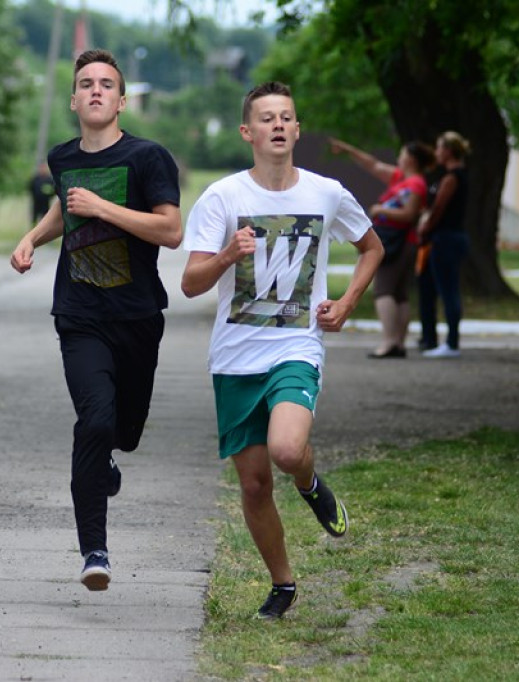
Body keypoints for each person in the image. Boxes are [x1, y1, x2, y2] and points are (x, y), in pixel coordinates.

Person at [180, 82, 382, 620]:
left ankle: (310, 483)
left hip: (295, 345)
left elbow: (371, 247)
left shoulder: (326, 193)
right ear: (248, 132)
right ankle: (283, 583)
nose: (276, 125)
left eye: (285, 117)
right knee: (253, 482)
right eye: (265, 118)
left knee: (287, 451)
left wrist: (346, 302)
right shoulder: (222, 198)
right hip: (234, 358)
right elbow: (190, 284)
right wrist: (227, 254)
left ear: (296, 130)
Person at [10, 49, 182, 591]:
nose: (96, 91)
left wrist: (105, 208)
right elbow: (65, 209)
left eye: (107, 84)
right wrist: (31, 238)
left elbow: (171, 231)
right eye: (86, 84)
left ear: (123, 100)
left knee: (122, 433)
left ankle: (105, 466)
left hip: (137, 315)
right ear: (73, 99)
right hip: (79, 313)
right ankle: (94, 552)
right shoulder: (62, 159)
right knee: (95, 421)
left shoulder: (148, 158)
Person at [329, 138, 433, 358]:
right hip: (403, 242)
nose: (399, 157)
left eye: (403, 154)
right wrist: (348, 148)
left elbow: (409, 214)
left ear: (411, 159)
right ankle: (398, 342)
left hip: (399, 242)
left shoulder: (414, 184)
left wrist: (379, 210)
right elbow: (373, 165)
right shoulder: (400, 178)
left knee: (384, 290)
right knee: (400, 294)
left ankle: (389, 342)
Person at [418, 131, 470, 358]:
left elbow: (439, 208)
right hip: (447, 238)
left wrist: (426, 227)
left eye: (439, 148)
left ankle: (452, 342)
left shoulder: (451, 178)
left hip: (446, 238)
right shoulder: (452, 175)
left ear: (449, 150)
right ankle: (430, 338)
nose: (437, 152)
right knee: (429, 288)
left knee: (448, 291)